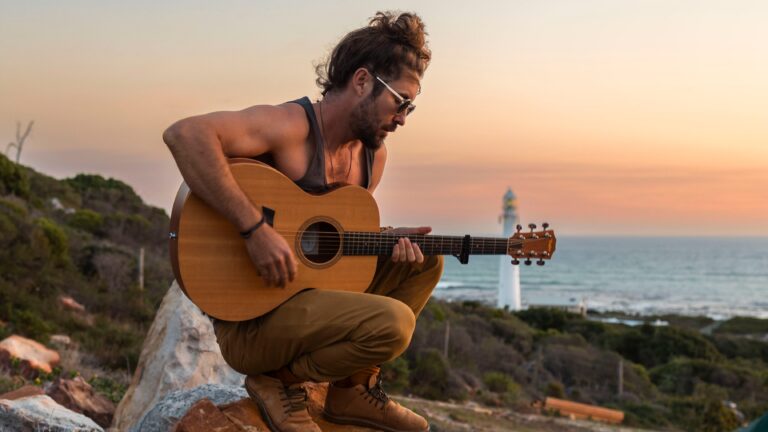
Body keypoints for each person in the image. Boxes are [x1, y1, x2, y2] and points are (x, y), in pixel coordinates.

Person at [163, 11, 442, 432]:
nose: (403, 117)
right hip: (251, 326)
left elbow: (326, 253)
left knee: (426, 260)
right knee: (395, 323)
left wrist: (383, 241)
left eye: (411, 107)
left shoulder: (371, 158)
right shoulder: (291, 127)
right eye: (400, 101)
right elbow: (185, 135)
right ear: (363, 81)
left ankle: (350, 390)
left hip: (302, 304)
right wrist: (254, 229)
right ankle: (276, 381)